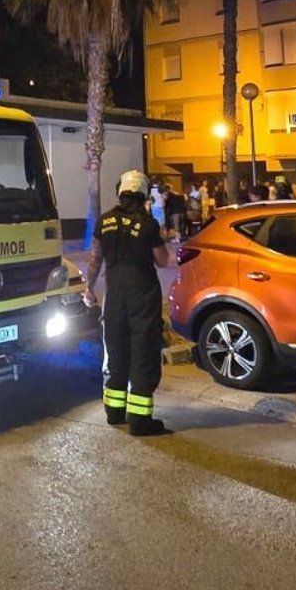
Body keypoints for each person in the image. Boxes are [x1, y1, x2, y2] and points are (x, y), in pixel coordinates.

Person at [84, 169, 172, 437]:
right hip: (142, 296)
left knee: (117, 350)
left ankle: (114, 412)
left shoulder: (104, 221)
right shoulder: (147, 225)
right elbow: (162, 260)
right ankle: (140, 420)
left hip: (115, 297)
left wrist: (89, 289)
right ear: (143, 194)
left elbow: (95, 259)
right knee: (143, 353)